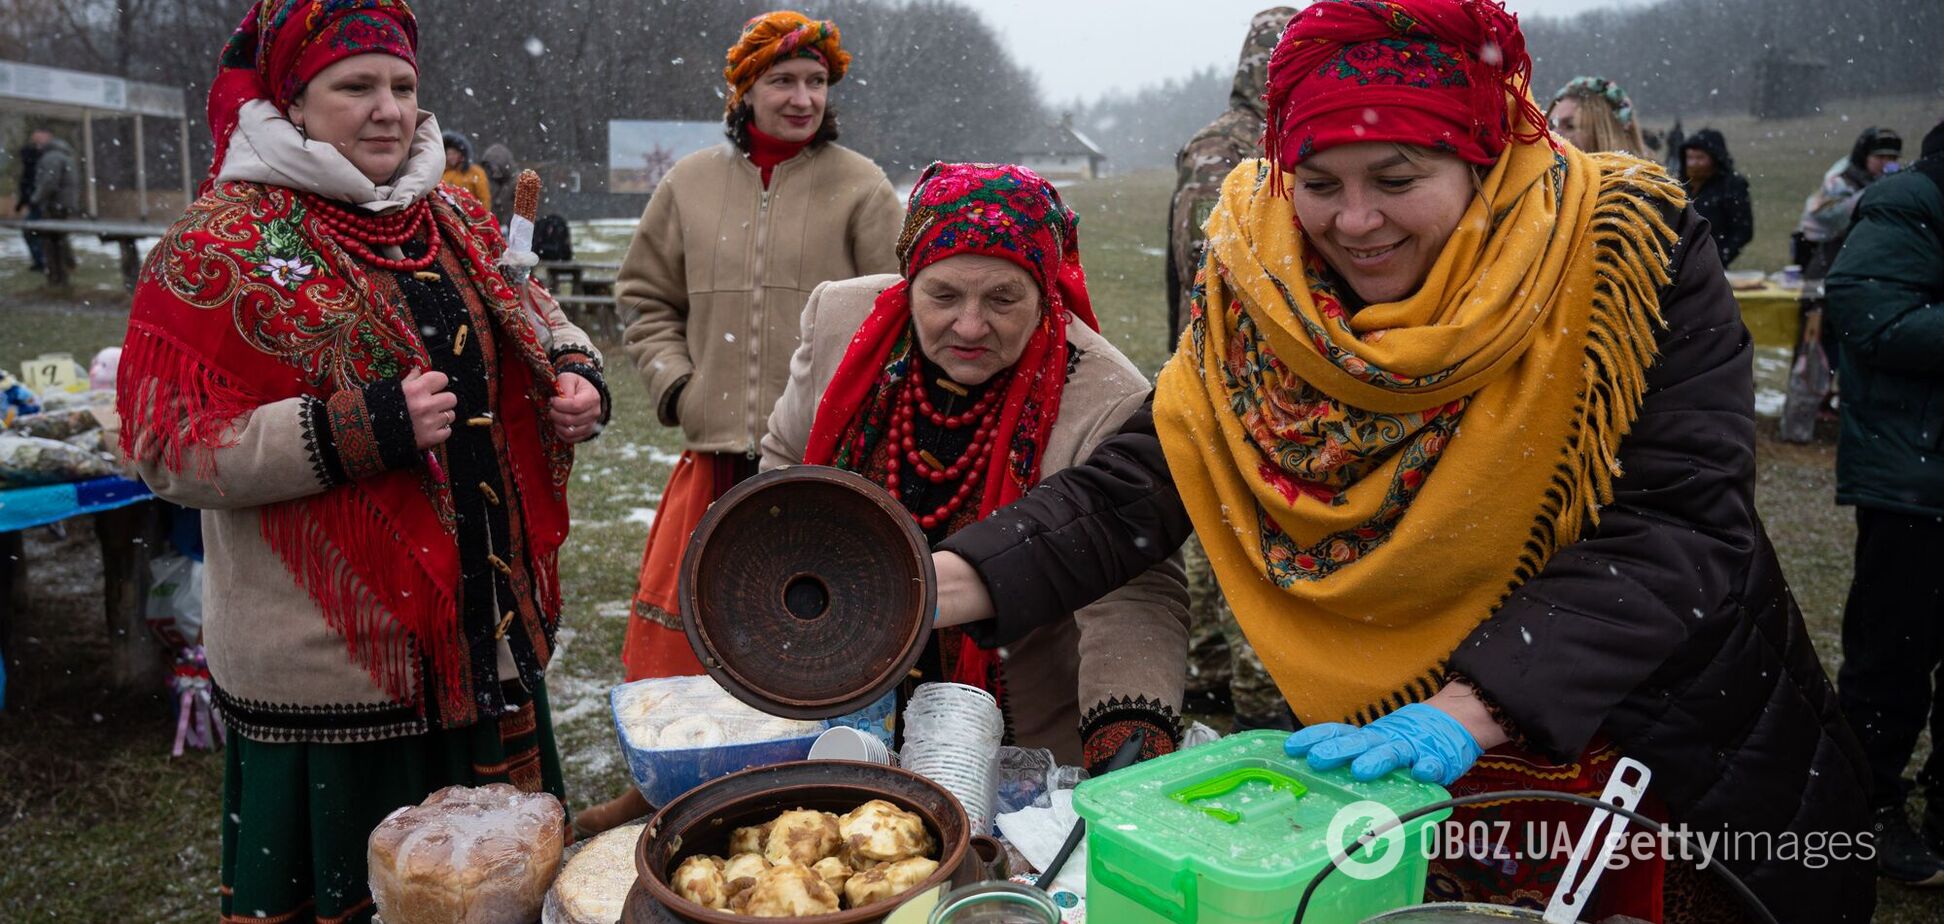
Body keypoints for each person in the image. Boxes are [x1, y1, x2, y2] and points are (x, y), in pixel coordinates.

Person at [928, 1, 1873, 919]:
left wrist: (1469, 708)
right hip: (1385, 754)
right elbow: (1144, 479)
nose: (1354, 221)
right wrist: (939, 582)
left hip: (1655, 735)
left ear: (1479, 157)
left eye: (1396, 176)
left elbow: (1680, 519)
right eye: (1320, 180)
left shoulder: (1619, 248)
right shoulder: (1258, 278)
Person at [114, 3, 611, 920]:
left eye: (402, 86)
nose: (388, 110)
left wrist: (573, 372)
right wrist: (361, 427)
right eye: (355, 87)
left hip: (482, 642)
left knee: (504, 888)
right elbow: (168, 450)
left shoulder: (448, 216)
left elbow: (530, 307)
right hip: (341, 675)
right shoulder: (218, 244)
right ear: (293, 103)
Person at [583, 8, 901, 836]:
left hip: (819, 465)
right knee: (687, 635)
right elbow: (644, 297)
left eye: (815, 82)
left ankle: (805, 792)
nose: (800, 98)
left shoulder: (861, 187)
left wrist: (849, 410)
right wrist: (678, 385)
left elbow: (900, 312)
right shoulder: (688, 183)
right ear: (745, 89)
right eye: (781, 81)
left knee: (809, 639)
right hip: (716, 456)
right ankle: (671, 784)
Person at [762, 162, 1189, 770]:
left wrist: (1125, 731)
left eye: (1002, 298)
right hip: (834, 674)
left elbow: (1133, 585)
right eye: (942, 295)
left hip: (1013, 719)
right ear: (909, 282)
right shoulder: (841, 318)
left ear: (1046, 294)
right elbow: (784, 462)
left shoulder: (1104, 393)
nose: (969, 324)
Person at [1165, 7, 1298, 733]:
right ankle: (1249, 706)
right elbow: (1212, 273)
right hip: (1242, 383)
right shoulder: (1236, 149)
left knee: (1226, 545)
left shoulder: (1267, 140)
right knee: (1245, 552)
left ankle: (1218, 680)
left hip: (1236, 382)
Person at [1826, 117, 1944, 886]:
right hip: (1917, 480)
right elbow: (1871, 315)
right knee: (1893, 658)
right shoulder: (1908, 199)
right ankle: (1863, 808)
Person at [1780, 126, 1902, 442]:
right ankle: (1803, 418)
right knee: (1817, 350)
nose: (1886, 162)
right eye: (1880, 156)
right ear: (1866, 156)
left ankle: (1850, 413)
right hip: (1828, 273)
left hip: (1869, 277)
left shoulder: (1893, 184)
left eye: (1892, 157)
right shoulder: (1841, 182)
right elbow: (1825, 220)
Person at [1679, 127, 1753, 267]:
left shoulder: (1732, 185)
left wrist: (1717, 259)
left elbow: (1743, 230)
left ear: (1715, 159)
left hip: (1712, 262)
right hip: (1679, 264)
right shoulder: (1681, 185)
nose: (1693, 164)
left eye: (1700, 158)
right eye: (1690, 157)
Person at [1546, 76, 1648, 155]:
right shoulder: (1542, 180)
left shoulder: (1648, 181)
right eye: (1551, 126)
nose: (1553, 134)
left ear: (1609, 134)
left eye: (1570, 126)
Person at [29, 127, 79, 283]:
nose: (36, 142)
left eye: (38, 138)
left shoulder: (52, 157)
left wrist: (36, 198)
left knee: (52, 242)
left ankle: (56, 277)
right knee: (59, 239)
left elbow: (49, 183)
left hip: (54, 204)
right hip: (62, 203)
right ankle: (62, 273)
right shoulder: (63, 155)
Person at [13, 130, 46, 274]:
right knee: (36, 233)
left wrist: (30, 201)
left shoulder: (34, 166)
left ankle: (41, 262)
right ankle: (42, 262)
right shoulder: (36, 164)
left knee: (32, 232)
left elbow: (34, 185)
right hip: (37, 202)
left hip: (39, 203)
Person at [441, 129, 492, 212]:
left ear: (462, 154)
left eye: (454, 153)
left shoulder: (475, 172)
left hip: (471, 217)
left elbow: (484, 199)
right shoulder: (442, 173)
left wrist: (483, 217)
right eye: (448, 154)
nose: (450, 157)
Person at [480, 141, 516, 228]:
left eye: (495, 166)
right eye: (490, 166)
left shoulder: (516, 182)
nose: (493, 170)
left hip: (509, 228)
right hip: (492, 226)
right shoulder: (488, 181)